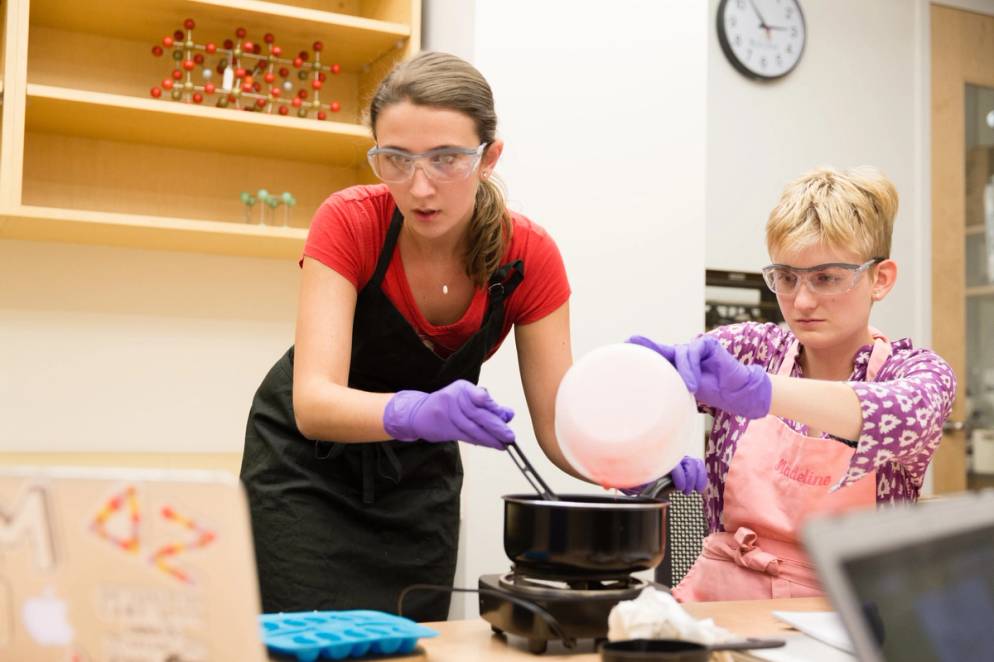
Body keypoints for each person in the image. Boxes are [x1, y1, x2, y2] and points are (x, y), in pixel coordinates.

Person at [240, 51, 702, 622]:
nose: (420, 186)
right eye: (396, 159)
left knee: (412, 644)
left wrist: (633, 470)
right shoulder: (350, 221)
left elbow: (561, 429)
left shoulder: (528, 256)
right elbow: (314, 403)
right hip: (306, 473)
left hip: (417, 486)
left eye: (447, 159)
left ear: (489, 157)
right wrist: (418, 412)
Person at [630, 166, 956, 602]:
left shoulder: (916, 373)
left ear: (880, 279)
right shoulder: (748, 349)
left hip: (850, 620)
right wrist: (643, 458)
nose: (801, 301)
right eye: (786, 277)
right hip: (720, 606)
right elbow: (633, 406)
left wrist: (761, 392)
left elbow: (900, 412)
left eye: (827, 278)